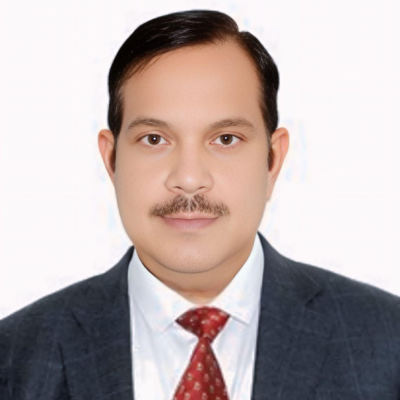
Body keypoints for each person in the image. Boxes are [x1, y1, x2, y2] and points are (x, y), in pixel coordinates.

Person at [1, 9, 399, 400]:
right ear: (112, 160)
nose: (189, 178)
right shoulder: (14, 356)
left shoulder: (388, 341)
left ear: (273, 160)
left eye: (225, 139)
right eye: (154, 139)